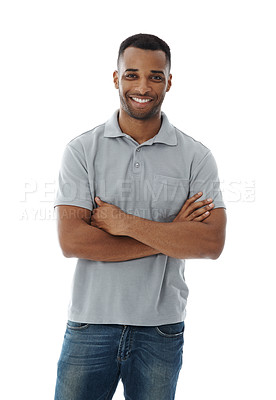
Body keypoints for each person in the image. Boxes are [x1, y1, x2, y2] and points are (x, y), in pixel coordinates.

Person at [53, 33, 226, 400]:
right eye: (131, 75)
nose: (143, 86)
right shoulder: (82, 151)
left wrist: (125, 223)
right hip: (90, 324)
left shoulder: (196, 157)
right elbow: (72, 241)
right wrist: (173, 234)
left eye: (155, 76)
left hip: (160, 329)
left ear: (169, 82)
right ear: (116, 79)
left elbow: (210, 243)